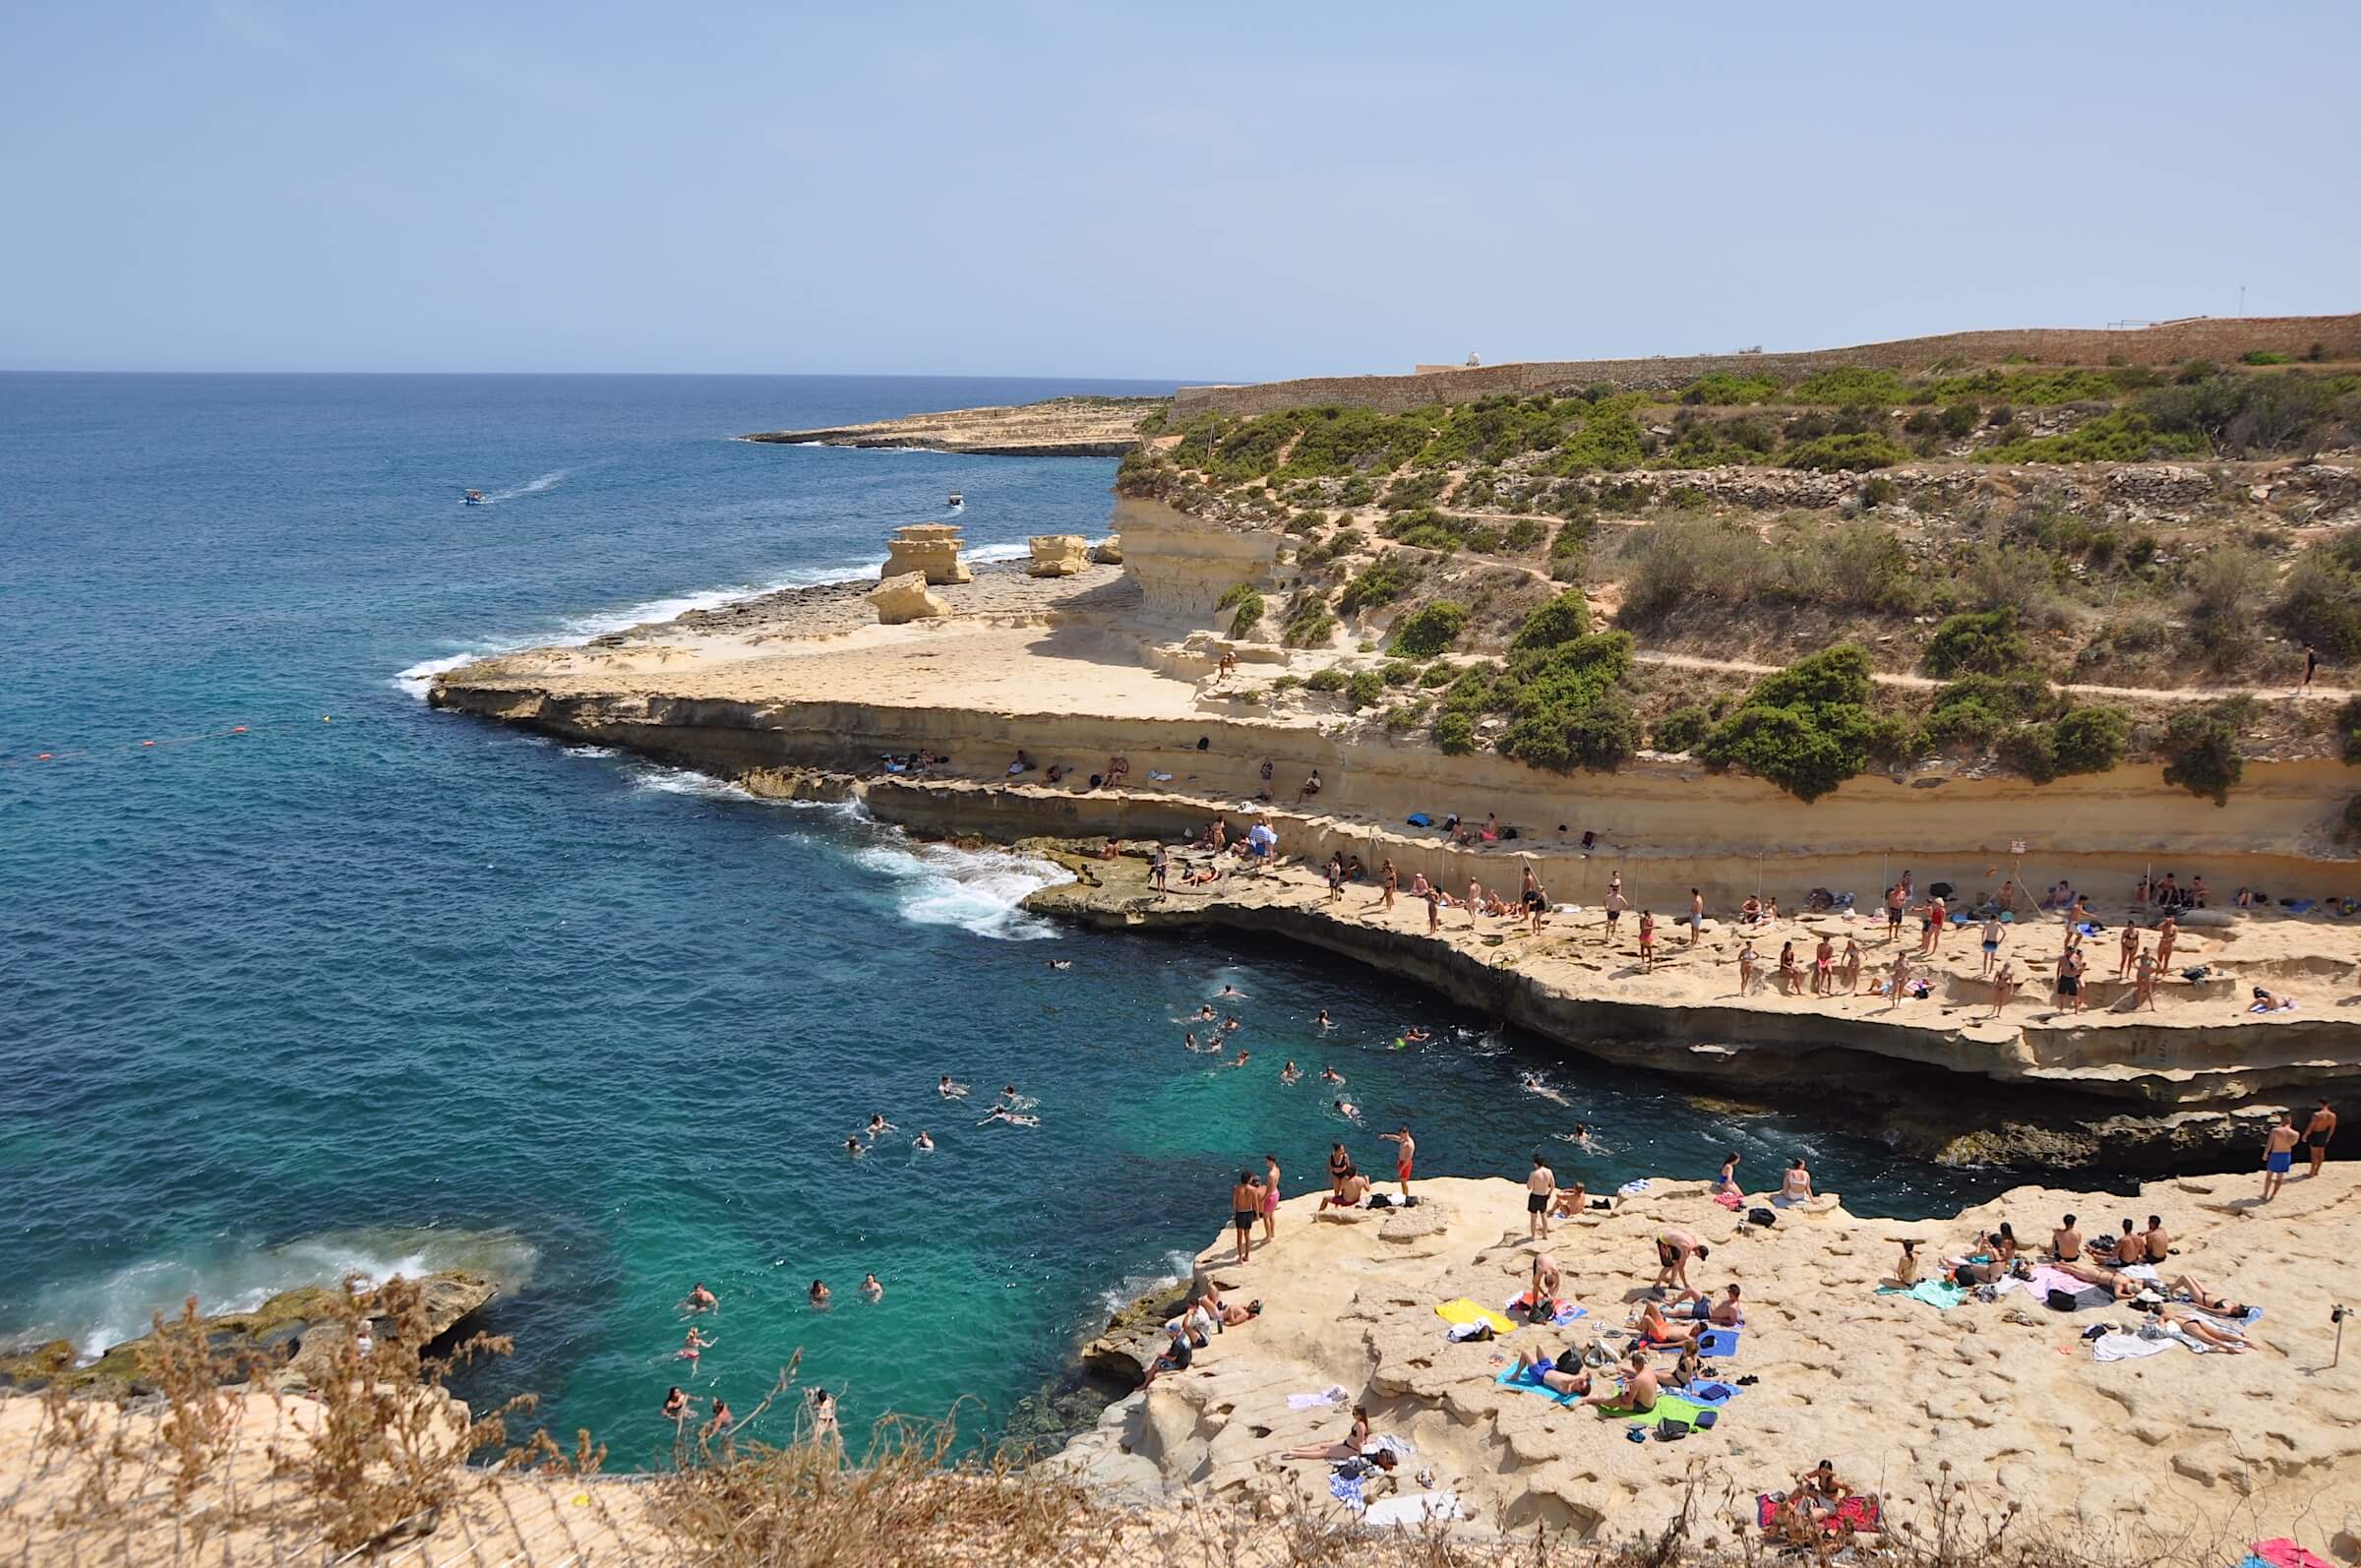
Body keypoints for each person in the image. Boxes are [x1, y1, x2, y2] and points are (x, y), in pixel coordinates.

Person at [1577, 1349, 1660, 1413]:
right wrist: (1629, 1381)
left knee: (1619, 1401)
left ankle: (1591, 1400)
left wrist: (1623, 1392)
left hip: (1645, 1407)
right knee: (1627, 1389)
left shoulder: (1638, 1379)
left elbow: (1628, 1401)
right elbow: (1643, 1381)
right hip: (1652, 1402)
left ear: (1635, 1364)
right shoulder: (1648, 1370)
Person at [1278, 1406, 1372, 1461]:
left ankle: (1296, 1454)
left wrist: (1361, 1456)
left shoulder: (1361, 1426)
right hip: (1346, 1443)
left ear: (1360, 1415)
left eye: (1354, 1413)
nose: (1353, 1415)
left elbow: (1360, 1442)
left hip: (1351, 1449)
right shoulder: (1359, 1422)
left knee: (1324, 1452)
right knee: (1321, 1445)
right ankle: (1296, 1449)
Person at [1510, 1345, 1593, 1398]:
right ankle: (1521, 1370)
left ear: (1579, 1390)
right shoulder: (1575, 1380)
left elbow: (1565, 1380)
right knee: (1539, 1346)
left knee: (1525, 1353)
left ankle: (1516, 1374)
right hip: (1549, 1368)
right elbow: (1585, 1372)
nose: (1580, 1381)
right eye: (1582, 1381)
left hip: (1540, 1375)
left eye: (1581, 1383)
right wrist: (1586, 1376)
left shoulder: (1567, 1390)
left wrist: (1580, 1377)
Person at [1651, 1229, 1710, 1294]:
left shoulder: (1694, 1241)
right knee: (1669, 1266)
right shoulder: (1685, 1249)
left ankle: (1672, 1284)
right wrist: (1685, 1284)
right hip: (1663, 1240)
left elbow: (1686, 1239)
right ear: (1698, 1251)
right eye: (1700, 1255)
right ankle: (1656, 1286)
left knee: (1677, 1262)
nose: (1698, 1256)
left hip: (1672, 1240)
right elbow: (1681, 1269)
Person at [2263, 1112, 2302, 1201]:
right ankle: (2273, 1195)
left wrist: (2265, 1153)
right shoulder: (2296, 1133)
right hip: (2286, 1155)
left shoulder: (2275, 1131)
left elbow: (2269, 1143)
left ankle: (2265, 1195)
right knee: (2280, 1177)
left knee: (2269, 1176)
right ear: (2290, 1123)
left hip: (2275, 1154)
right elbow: (2292, 1144)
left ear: (2282, 1122)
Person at [1526, 1151, 1558, 1240]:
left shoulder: (1534, 1173)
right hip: (1544, 1196)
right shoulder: (1549, 1171)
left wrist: (1528, 1182)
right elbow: (1553, 1185)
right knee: (1544, 1216)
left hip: (1535, 1196)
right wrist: (1549, 1194)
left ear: (1536, 1164)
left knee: (1533, 1217)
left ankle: (1533, 1236)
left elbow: (1529, 1187)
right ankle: (1545, 1235)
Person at [1231, 1171, 1260, 1264]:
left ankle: (1239, 1258)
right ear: (1248, 1179)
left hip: (1240, 1213)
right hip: (1249, 1213)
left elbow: (1234, 1203)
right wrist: (1258, 1215)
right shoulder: (1253, 1190)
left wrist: (1235, 1213)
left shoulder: (1236, 1188)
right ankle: (1247, 1256)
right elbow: (1255, 1204)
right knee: (1247, 1235)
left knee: (1239, 1236)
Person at [1379, 1125, 1416, 1197]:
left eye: (1401, 1135)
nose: (1400, 1136)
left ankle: (1406, 1196)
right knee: (1402, 1181)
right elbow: (1396, 1138)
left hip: (1405, 1164)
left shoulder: (1409, 1145)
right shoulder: (1403, 1139)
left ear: (1406, 1133)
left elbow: (1408, 1160)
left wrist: (1401, 1169)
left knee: (1403, 1182)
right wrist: (1386, 1136)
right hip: (1401, 1161)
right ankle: (1404, 1195)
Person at [2306, 1100, 2338, 1177]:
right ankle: (2317, 1171)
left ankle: (2311, 1173)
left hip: (2315, 1134)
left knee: (2314, 1154)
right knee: (2321, 1154)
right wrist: (2328, 1137)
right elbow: (2332, 1128)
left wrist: (2305, 1135)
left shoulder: (2316, 1114)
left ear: (2320, 1104)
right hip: (2324, 1134)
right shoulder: (2333, 1115)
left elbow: (2311, 1126)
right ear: (2328, 1104)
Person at [1262, 1153, 1283, 1244]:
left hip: (1271, 1196)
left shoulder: (1270, 1174)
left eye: (1267, 1161)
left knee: (1265, 1217)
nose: (1265, 1163)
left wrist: (1263, 1198)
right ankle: (1272, 1232)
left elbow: (1269, 1188)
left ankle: (1268, 1236)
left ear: (1271, 1161)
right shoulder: (1277, 1170)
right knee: (1271, 1214)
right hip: (1276, 1193)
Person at [2134, 945, 2159, 1010]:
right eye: (2146, 951)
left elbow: (2159, 964)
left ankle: (2152, 1007)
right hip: (2140, 973)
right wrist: (2136, 966)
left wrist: (2155, 971)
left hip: (2147, 974)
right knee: (2139, 989)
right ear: (2144, 951)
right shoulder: (2141, 956)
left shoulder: (2151, 958)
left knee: (2148, 991)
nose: (2147, 952)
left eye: (2148, 951)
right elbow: (2133, 959)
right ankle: (2138, 1005)